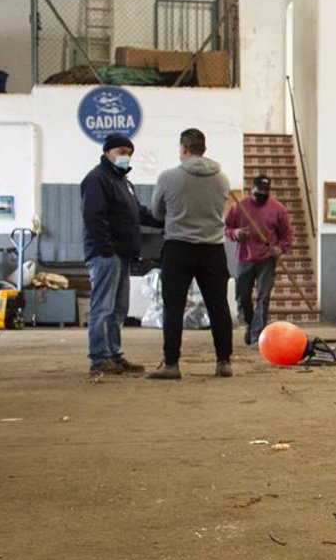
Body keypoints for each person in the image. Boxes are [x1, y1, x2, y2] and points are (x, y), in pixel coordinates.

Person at [148, 128, 235, 380]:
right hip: (213, 249)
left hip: (179, 247)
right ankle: (224, 362)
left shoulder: (168, 177)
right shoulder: (222, 179)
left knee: (173, 307)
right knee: (218, 306)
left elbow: (157, 212)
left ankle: (172, 364)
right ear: (204, 150)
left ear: (183, 148)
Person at [80, 132, 154, 377]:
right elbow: (94, 217)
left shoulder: (123, 182)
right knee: (102, 307)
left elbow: (138, 212)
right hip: (106, 255)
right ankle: (99, 357)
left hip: (121, 254)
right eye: (121, 152)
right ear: (107, 152)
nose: (126, 156)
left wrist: (165, 218)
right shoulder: (96, 179)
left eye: (129, 153)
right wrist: (106, 250)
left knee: (118, 309)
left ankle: (114, 354)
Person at [225, 174, 295, 348]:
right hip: (244, 258)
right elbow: (226, 228)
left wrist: (280, 248)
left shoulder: (277, 209)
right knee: (242, 297)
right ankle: (251, 324)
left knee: (263, 297)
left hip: (266, 259)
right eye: (259, 190)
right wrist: (236, 234)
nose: (262, 193)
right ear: (252, 189)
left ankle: (257, 336)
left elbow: (287, 234)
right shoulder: (238, 207)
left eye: (266, 190)